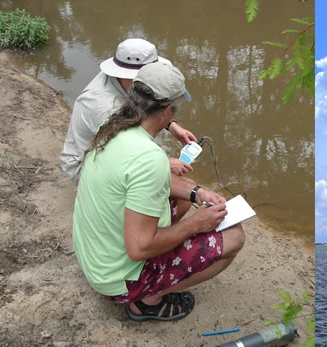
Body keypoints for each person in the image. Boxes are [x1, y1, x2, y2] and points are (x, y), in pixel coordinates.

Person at [72, 59, 245, 322]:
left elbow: (141, 180)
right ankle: (147, 302)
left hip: (96, 258)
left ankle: (156, 269)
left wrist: (197, 193)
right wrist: (197, 225)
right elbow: (139, 249)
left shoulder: (112, 127)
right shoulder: (148, 157)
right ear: (168, 110)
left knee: (183, 198)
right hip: (117, 279)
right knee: (234, 237)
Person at [61, 38, 198, 185]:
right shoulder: (102, 106)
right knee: (164, 181)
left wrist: (171, 125)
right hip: (83, 163)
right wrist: (166, 163)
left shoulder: (125, 83)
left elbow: (148, 104)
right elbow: (124, 151)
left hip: (107, 144)